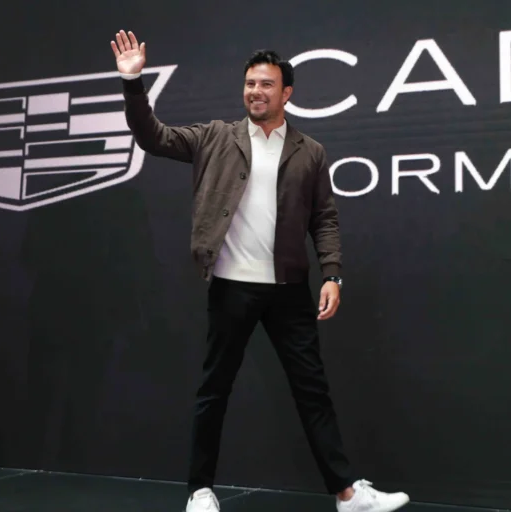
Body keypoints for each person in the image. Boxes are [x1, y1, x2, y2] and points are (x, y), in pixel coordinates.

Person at [110, 30, 410, 512]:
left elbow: (325, 219)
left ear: (286, 93)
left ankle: (347, 494)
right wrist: (132, 82)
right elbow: (153, 136)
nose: (256, 91)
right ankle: (200, 491)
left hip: (289, 291)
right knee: (214, 390)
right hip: (231, 286)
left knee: (313, 391)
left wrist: (332, 274)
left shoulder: (309, 151)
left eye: (266, 84)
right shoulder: (215, 136)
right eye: (250, 83)